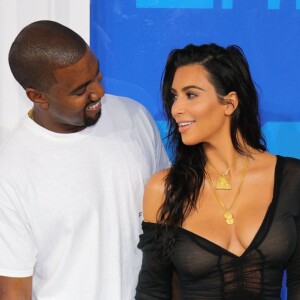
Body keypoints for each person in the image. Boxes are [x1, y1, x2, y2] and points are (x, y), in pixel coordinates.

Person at [0, 20, 169, 300]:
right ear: (37, 96)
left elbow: (170, 225)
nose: (98, 93)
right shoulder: (11, 171)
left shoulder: (134, 117)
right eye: (80, 90)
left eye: (98, 77)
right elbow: (14, 290)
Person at [135, 43, 300, 299]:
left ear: (230, 103)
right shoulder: (164, 189)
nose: (176, 108)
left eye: (191, 95)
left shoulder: (292, 178)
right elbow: (153, 291)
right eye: (173, 96)